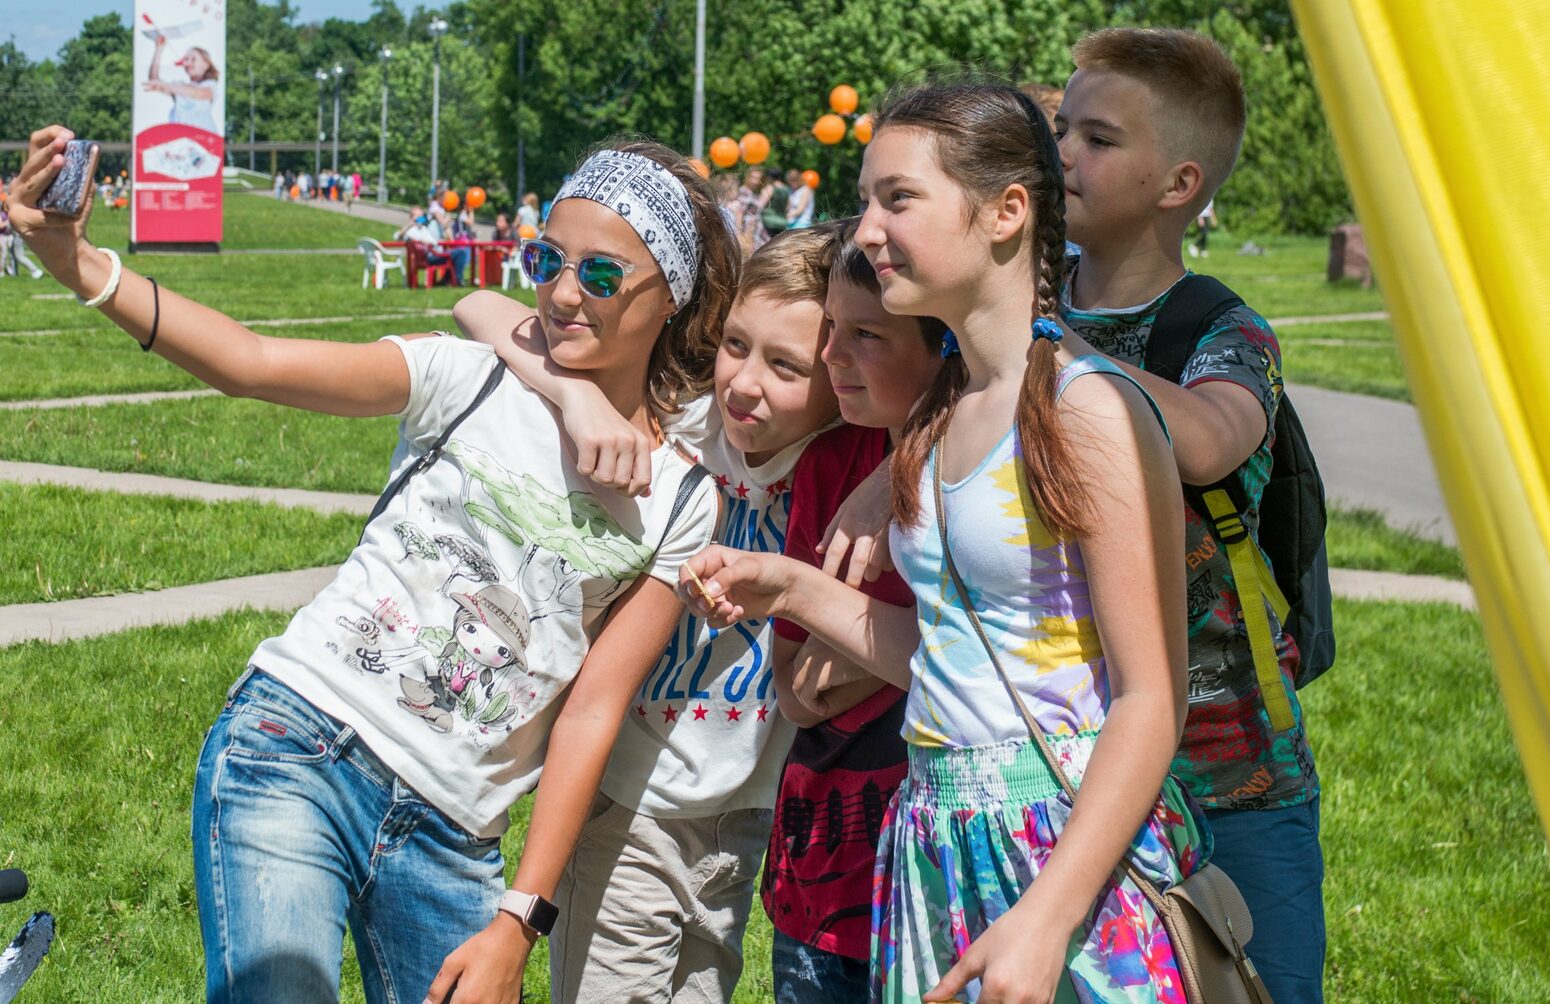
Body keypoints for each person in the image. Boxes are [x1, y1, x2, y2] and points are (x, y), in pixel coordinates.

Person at [8, 126, 741, 1004]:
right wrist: (85, 267)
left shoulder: (684, 496)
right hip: (297, 743)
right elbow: (255, 364)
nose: (560, 293)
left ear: (674, 302)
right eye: (547, 258)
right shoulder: (466, 376)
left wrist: (519, 919)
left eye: (601, 274)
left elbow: (592, 713)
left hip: (455, 833)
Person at [680, 80, 1210, 1003]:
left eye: (898, 199)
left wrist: (1048, 917)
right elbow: (947, 660)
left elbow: (1149, 701)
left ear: (1007, 212)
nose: (867, 229)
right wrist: (790, 588)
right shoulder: (937, 422)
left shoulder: (1088, 412)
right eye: (865, 200)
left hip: (1061, 849)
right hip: (931, 838)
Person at [454, 225, 843, 1004]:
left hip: (740, 815)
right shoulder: (682, 429)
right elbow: (477, 305)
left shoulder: (845, 469)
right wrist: (573, 394)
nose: (746, 383)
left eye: (787, 366)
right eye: (737, 344)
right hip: (627, 805)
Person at [1056, 27, 1324, 1002]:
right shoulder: (1011, 314)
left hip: (1232, 787)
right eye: (1060, 129)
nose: (1064, 155)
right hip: (1058, 781)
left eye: (1097, 137)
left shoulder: (1221, 328)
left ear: (1178, 183)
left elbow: (1210, 438)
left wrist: (1039, 345)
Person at [760, 225, 946, 1003]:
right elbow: (798, 692)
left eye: (864, 334)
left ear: (948, 348)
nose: (830, 354)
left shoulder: (973, 476)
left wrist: (829, 614)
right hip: (816, 881)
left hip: (932, 887)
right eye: (830, 328)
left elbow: (958, 670)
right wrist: (889, 641)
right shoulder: (828, 467)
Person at [144, 40, 220, 133]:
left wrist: (168, 86)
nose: (188, 63)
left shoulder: (210, 84)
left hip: (204, 139)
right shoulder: (179, 86)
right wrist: (159, 49)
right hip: (181, 139)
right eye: (186, 59)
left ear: (206, 64)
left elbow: (197, 93)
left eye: (193, 59)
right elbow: (154, 80)